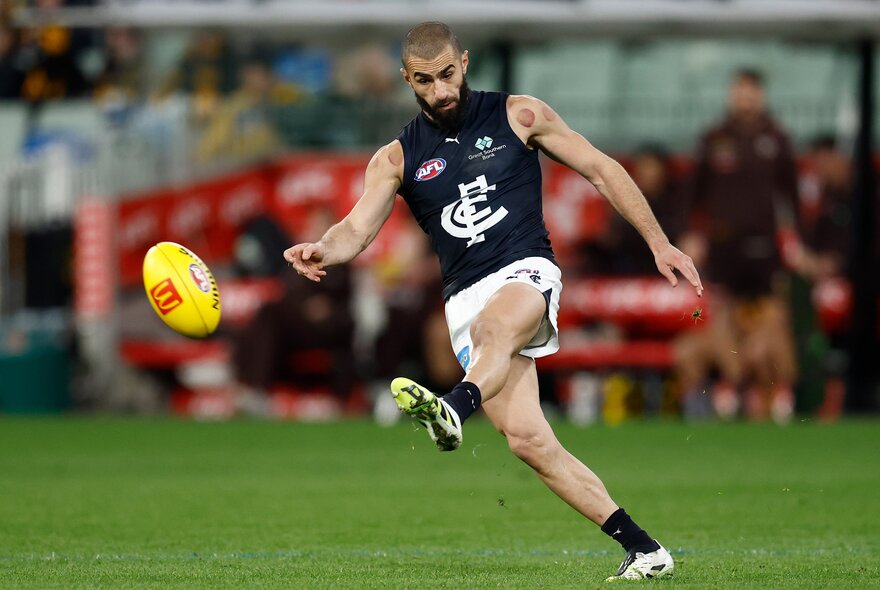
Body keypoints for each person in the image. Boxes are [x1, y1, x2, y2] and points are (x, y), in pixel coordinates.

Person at [285, 22, 702, 581]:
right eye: (426, 81)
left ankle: (454, 407)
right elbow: (355, 230)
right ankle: (645, 549)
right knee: (530, 441)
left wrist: (659, 241)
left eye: (449, 74)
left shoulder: (519, 114)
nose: (441, 90)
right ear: (406, 79)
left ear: (464, 60)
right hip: (464, 296)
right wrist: (323, 249)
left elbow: (601, 169)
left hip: (526, 270)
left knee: (494, 331)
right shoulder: (396, 158)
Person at [675, 68, 800, 423]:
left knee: (775, 319)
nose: (745, 98)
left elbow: (792, 196)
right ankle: (733, 384)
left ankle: (781, 389)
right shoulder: (715, 138)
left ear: (761, 95)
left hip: (766, 247)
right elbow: (691, 193)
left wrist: (800, 243)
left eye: (752, 91)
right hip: (724, 246)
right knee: (723, 318)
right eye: (740, 91)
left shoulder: (777, 138)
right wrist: (689, 234)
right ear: (732, 94)